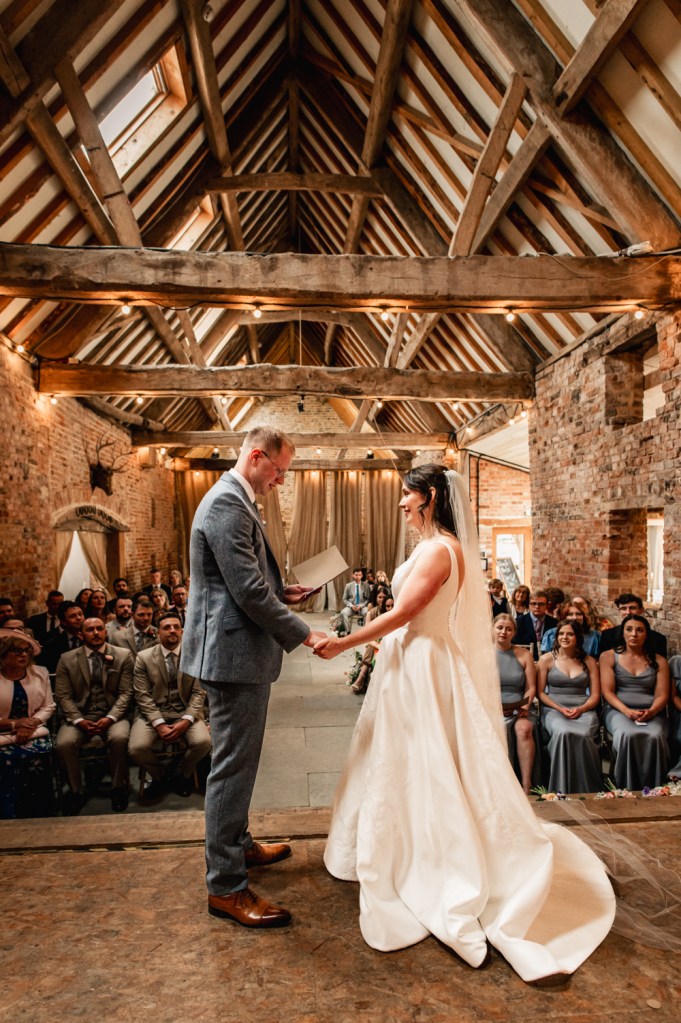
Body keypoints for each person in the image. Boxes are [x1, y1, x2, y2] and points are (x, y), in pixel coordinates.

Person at [314, 464, 614, 983]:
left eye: (407, 496)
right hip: (411, 660)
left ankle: (429, 856)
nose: (402, 505)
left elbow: (406, 612)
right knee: (399, 756)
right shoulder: (434, 545)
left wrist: (343, 643)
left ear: (430, 496)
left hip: (424, 662)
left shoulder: (439, 550)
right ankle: (394, 837)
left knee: (429, 759)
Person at [181, 426, 326, 929]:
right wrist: (305, 634)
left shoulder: (237, 498)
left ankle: (238, 845)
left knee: (240, 761)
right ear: (257, 456)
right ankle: (225, 886)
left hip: (238, 650)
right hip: (231, 655)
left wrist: (282, 591)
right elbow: (245, 591)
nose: (280, 481)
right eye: (279, 471)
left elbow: (237, 580)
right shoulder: (226, 503)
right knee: (231, 768)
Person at [55, 617, 134, 814]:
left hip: (113, 714)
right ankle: (76, 791)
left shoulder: (122, 655)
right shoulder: (67, 659)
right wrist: (79, 720)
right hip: (80, 715)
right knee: (64, 743)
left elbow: (126, 693)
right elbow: (63, 695)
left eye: (100, 629)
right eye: (90, 630)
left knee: (119, 738)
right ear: (81, 635)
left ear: (106, 632)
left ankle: (118, 787)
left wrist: (110, 718)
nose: (96, 633)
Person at [129, 612, 211, 801]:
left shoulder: (195, 655)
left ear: (183, 631)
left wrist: (186, 720)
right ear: (158, 633)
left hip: (186, 712)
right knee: (136, 748)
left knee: (203, 742)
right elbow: (142, 695)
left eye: (176, 627)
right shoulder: (144, 657)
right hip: (153, 713)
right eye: (166, 627)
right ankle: (161, 775)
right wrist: (158, 724)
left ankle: (181, 772)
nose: (172, 630)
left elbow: (199, 692)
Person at [600, 615, 670, 790]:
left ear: (646, 634)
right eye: (629, 629)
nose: (634, 634)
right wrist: (626, 711)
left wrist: (652, 711)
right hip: (618, 710)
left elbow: (662, 694)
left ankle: (654, 787)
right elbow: (607, 692)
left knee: (654, 735)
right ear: (622, 633)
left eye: (640, 630)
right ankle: (625, 786)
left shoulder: (659, 661)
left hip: (652, 712)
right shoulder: (608, 656)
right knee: (627, 734)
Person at [537, 620, 603, 794]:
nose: (564, 637)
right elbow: (541, 693)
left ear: (578, 638)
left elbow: (595, 695)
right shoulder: (546, 660)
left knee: (584, 734)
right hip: (554, 708)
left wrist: (581, 709)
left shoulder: (589, 662)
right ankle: (561, 785)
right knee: (563, 732)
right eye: (561, 634)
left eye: (570, 634)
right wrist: (559, 709)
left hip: (584, 708)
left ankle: (587, 787)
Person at [0, 629, 56, 819]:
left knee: (39, 755)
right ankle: (9, 814)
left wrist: (30, 724)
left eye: (26, 650)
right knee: (5, 760)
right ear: (3, 653)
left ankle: (40, 812)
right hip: (2, 735)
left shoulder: (40, 673)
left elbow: (49, 706)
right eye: (16, 650)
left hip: (35, 731)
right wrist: (16, 724)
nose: (23, 654)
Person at [492, 613, 538, 794]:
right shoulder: (483, 654)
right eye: (499, 628)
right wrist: (494, 708)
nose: (503, 632)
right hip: (492, 707)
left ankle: (527, 785)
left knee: (524, 729)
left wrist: (524, 706)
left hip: (520, 707)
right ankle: (501, 785)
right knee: (496, 730)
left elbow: (531, 687)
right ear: (492, 629)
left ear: (514, 633)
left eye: (508, 629)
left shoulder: (524, 655)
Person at [349, 591, 392, 695]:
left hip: (387, 640)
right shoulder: (372, 613)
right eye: (379, 597)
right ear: (375, 598)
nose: (381, 599)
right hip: (375, 640)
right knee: (371, 646)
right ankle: (362, 677)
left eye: (384, 597)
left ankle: (362, 677)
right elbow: (367, 634)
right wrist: (377, 644)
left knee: (373, 646)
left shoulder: (392, 613)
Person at [599, 593, 667, 656]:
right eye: (623, 608)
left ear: (641, 610)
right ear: (619, 611)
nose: (628, 612)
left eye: (632, 608)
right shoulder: (607, 636)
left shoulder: (658, 639)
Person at [37, 600, 84, 674]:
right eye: (73, 616)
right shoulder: (52, 644)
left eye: (80, 614)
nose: (78, 618)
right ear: (63, 622)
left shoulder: (90, 639)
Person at [513, 591, 557, 660]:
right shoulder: (518, 622)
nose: (537, 607)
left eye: (541, 604)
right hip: (523, 659)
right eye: (533, 603)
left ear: (547, 605)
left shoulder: (554, 623)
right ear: (529, 605)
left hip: (548, 660)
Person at [339, 568, 371, 634]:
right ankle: (348, 632)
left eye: (359, 575)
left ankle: (365, 632)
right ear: (353, 575)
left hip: (362, 606)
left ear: (362, 576)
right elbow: (344, 599)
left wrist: (361, 605)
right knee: (343, 613)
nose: (358, 577)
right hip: (351, 606)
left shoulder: (366, 586)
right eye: (356, 575)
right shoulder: (348, 586)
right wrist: (351, 605)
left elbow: (368, 599)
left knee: (367, 612)